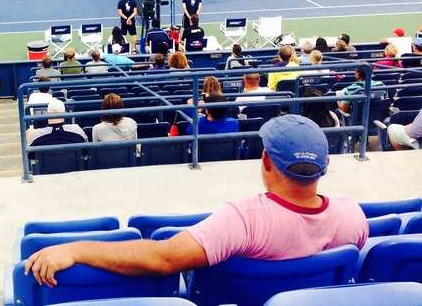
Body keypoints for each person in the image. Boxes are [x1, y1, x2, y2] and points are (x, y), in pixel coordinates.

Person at [24, 115, 368, 286]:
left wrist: (75, 249)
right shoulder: (353, 215)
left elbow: (162, 257)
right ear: (324, 166)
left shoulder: (243, 220)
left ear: (265, 161)